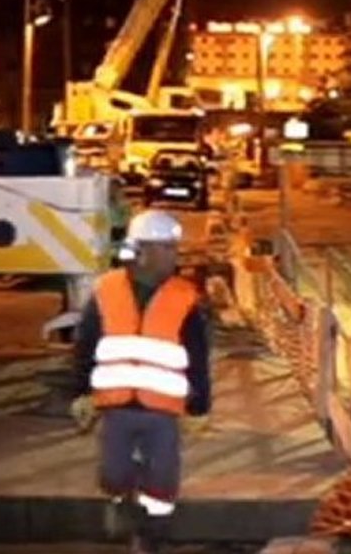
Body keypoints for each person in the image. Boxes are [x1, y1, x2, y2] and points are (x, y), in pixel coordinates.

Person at [70, 209, 211, 554]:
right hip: (116, 406)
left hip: (163, 408)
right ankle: (120, 505)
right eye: (167, 248)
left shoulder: (185, 298)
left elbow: (197, 356)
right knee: (114, 471)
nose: (174, 255)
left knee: (162, 475)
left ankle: (152, 532)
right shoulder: (107, 292)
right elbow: (85, 345)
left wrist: (199, 406)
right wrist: (81, 392)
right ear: (142, 250)